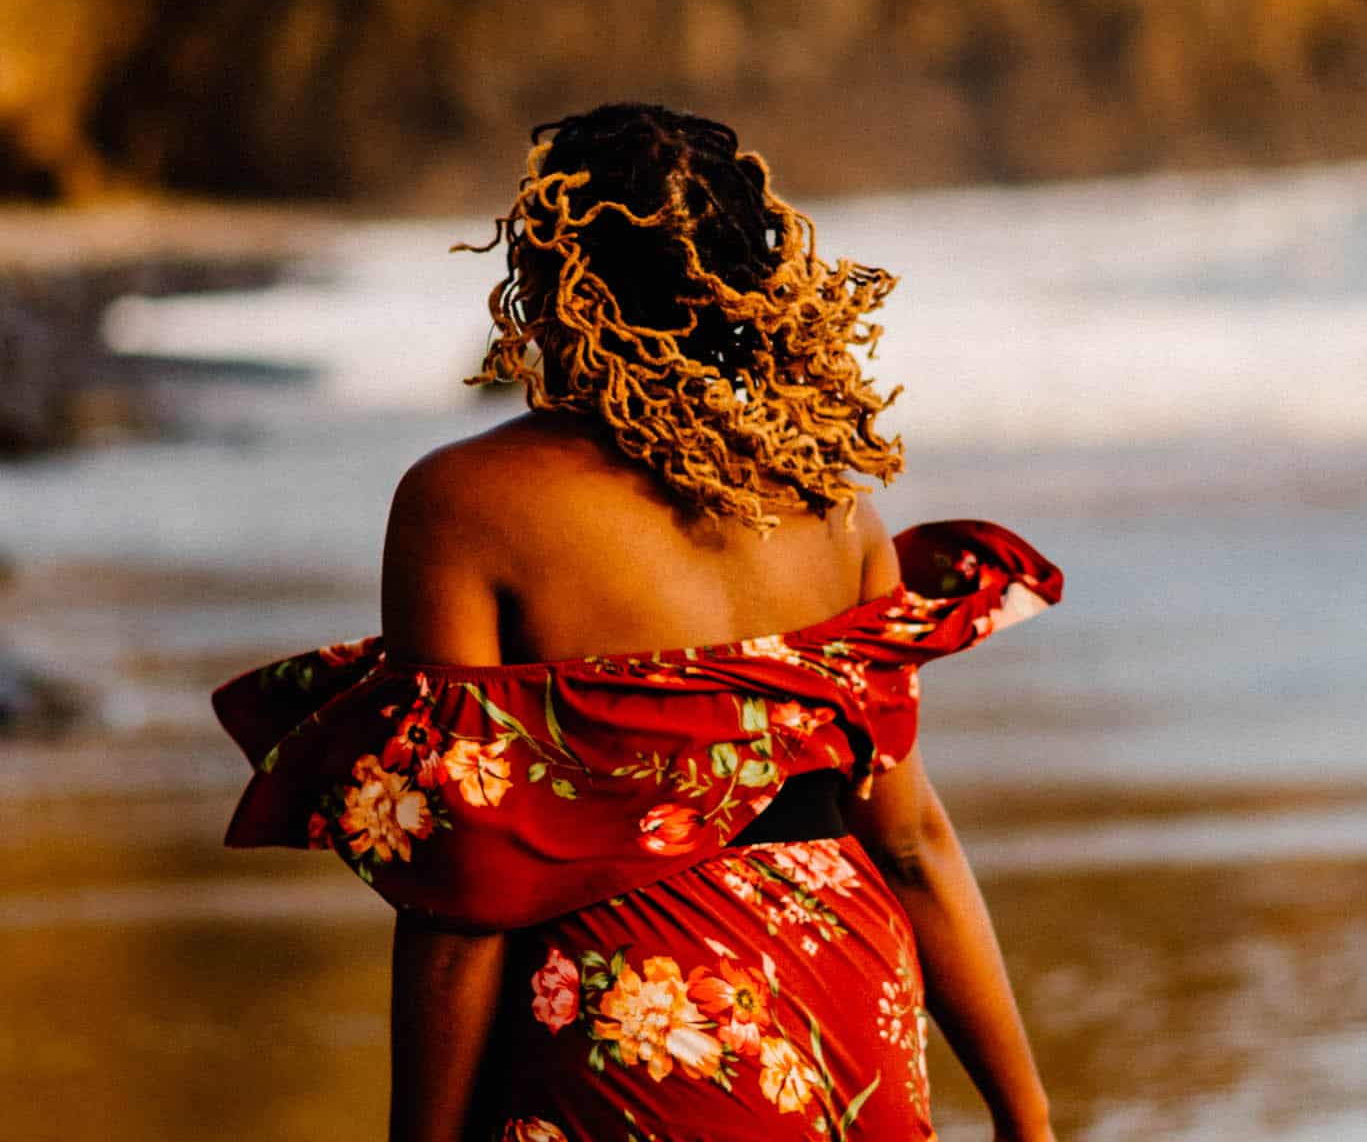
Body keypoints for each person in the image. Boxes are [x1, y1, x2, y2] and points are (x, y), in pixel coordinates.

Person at [215, 103, 1063, 1142]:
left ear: (548, 278)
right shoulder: (831, 505)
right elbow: (914, 842)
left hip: (643, 1017)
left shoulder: (466, 501)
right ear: (755, 277)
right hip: (849, 998)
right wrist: (1026, 1112)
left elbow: (465, 888)